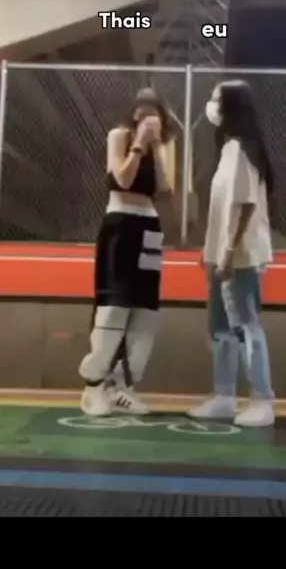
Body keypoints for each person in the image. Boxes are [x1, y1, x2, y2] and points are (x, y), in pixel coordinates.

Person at [79, 88, 173, 417]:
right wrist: (139, 144)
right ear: (132, 115)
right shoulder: (119, 136)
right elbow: (122, 178)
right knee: (114, 305)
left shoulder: (163, 147)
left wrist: (157, 148)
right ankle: (93, 386)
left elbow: (164, 190)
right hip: (120, 224)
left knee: (145, 309)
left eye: (154, 113)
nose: (148, 119)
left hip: (149, 227)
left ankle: (123, 386)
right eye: (142, 112)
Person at [188, 80, 275, 427]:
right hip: (222, 255)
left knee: (247, 326)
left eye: (216, 99)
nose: (211, 105)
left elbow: (246, 205)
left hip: (240, 256)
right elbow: (223, 209)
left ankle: (262, 399)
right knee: (222, 329)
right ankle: (223, 395)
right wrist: (211, 251)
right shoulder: (229, 149)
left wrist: (226, 252)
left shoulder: (241, 150)